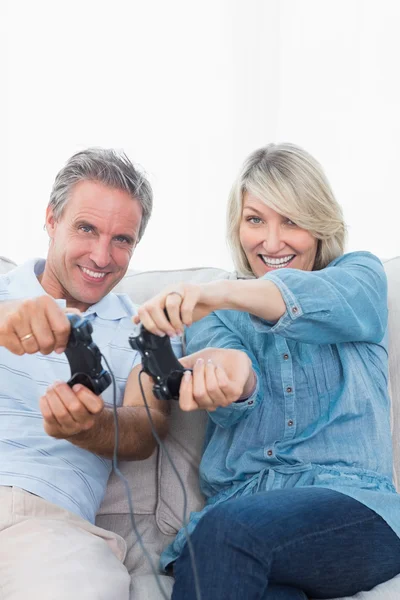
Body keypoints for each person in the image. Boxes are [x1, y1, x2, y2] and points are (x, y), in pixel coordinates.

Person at [135, 143, 400, 599]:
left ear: (320, 223)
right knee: (227, 552)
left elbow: (294, 298)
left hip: (354, 508)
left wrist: (216, 293)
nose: (271, 242)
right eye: (255, 219)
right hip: (243, 515)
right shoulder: (213, 316)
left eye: (291, 221)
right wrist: (231, 379)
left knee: (225, 533)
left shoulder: (360, 277)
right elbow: (235, 373)